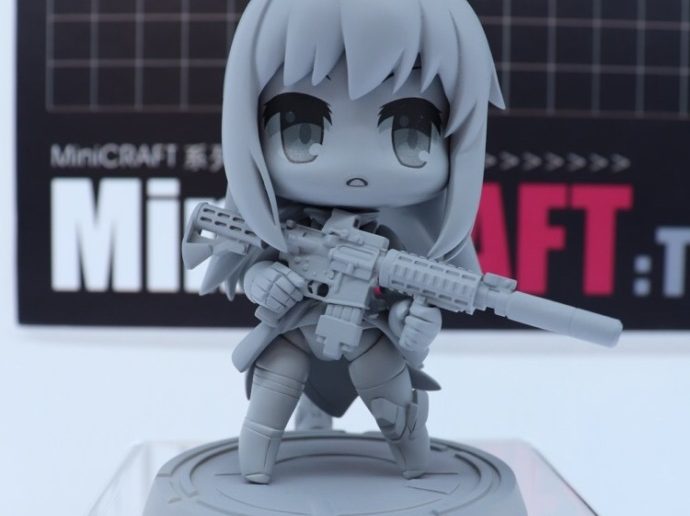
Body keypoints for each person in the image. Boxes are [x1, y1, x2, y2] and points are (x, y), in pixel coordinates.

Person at [192, 0, 503, 484]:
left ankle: (410, 461)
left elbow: (402, 299)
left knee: (394, 400)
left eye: (410, 131)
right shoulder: (289, 229)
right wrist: (262, 279)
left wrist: (412, 325)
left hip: (366, 332)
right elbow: (256, 262)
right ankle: (265, 465)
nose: (356, 167)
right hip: (293, 329)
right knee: (272, 398)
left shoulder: (386, 242)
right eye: (300, 127)